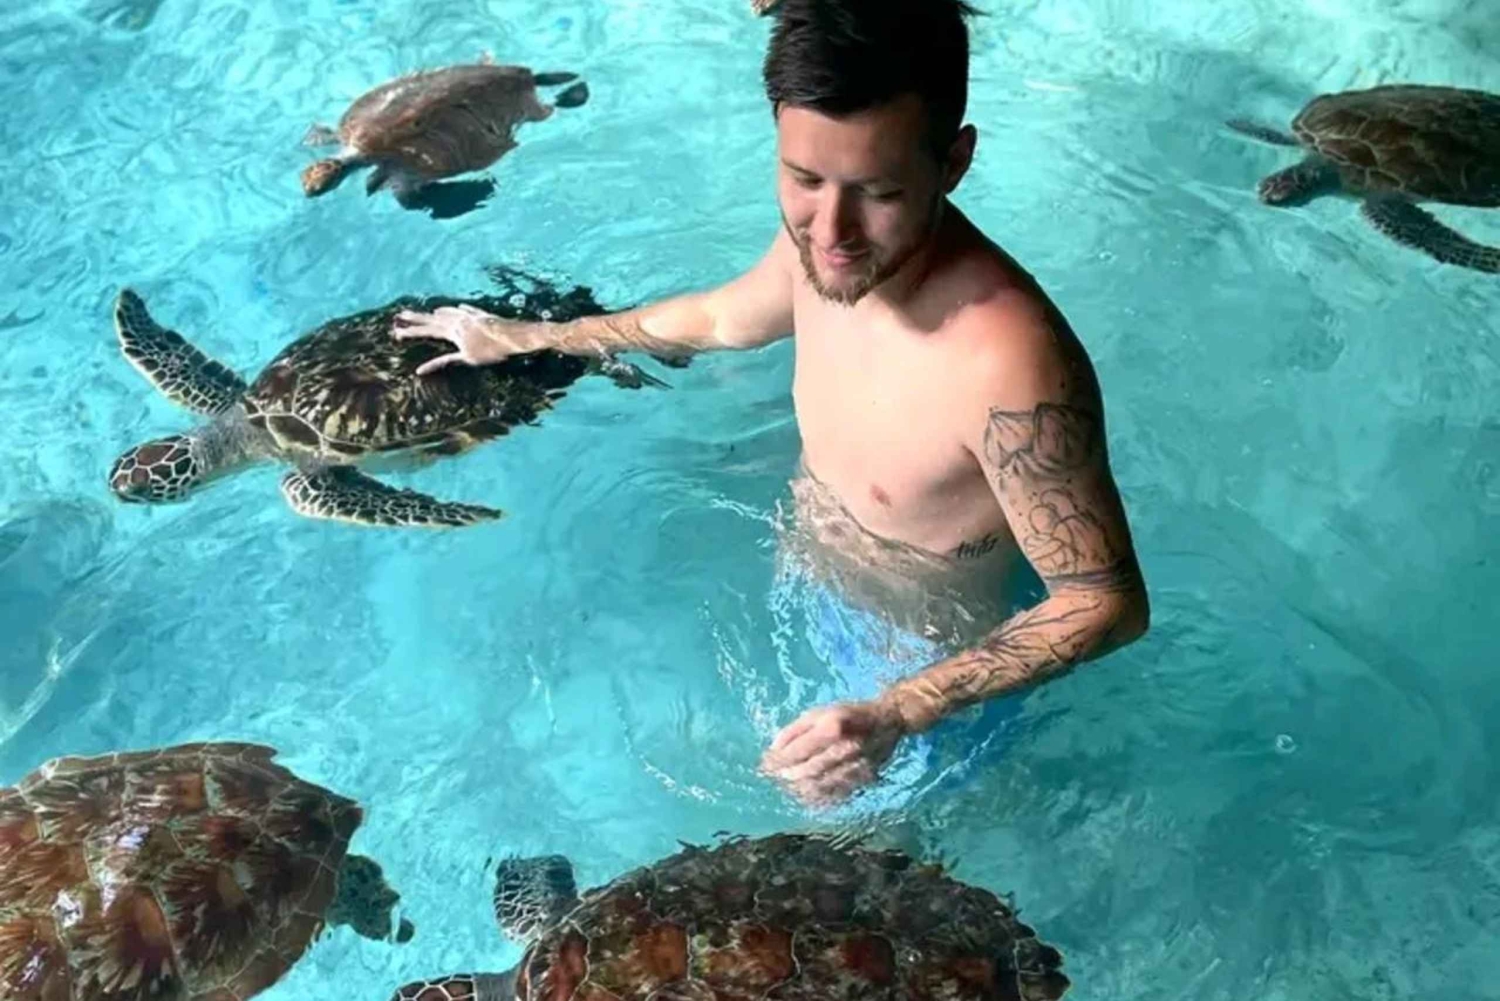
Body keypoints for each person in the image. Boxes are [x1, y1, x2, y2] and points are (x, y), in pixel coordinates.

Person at [392, 0, 1149, 808]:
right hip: (810, 586)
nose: (831, 231)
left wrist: (902, 709)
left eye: (879, 191)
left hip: (922, 674)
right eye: (804, 179)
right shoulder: (819, 246)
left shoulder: (1008, 365)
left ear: (954, 162)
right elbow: (720, 318)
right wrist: (533, 336)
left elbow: (1105, 603)